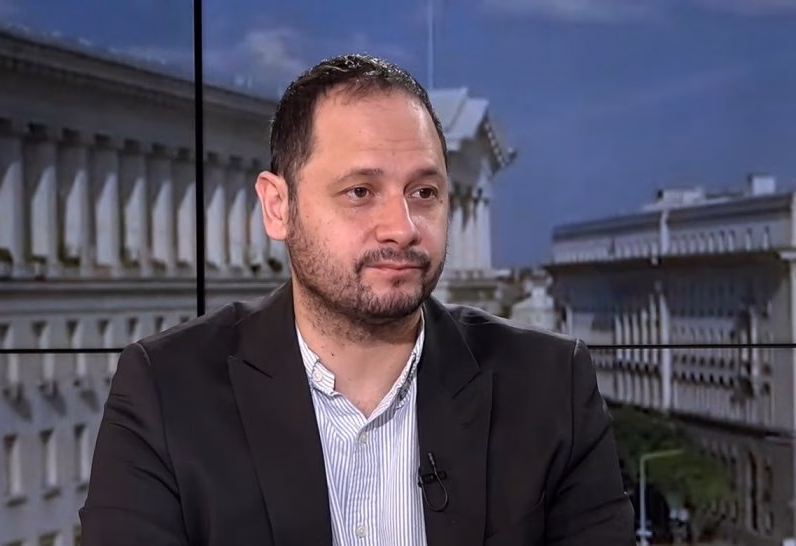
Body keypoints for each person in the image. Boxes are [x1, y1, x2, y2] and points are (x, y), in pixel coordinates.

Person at [80, 53, 635, 546]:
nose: (402, 227)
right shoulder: (165, 392)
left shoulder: (551, 387)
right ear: (278, 208)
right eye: (360, 192)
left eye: (424, 192)